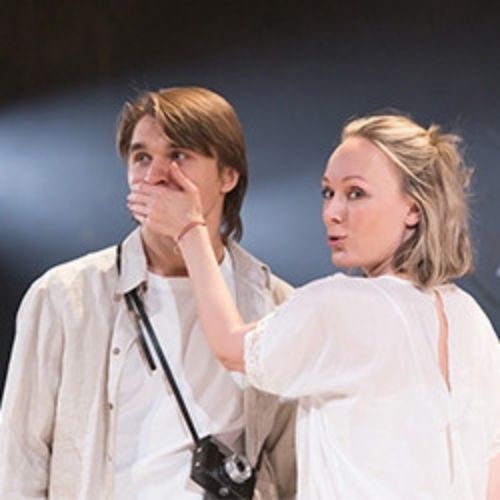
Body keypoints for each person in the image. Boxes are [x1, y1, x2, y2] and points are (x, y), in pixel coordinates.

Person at [128, 112, 500, 499]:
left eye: (356, 193)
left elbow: (231, 348)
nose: (332, 212)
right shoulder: (469, 317)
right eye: (327, 192)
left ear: (414, 209)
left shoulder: (342, 306)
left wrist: (189, 230)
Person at [0, 87, 297, 499]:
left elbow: (290, 467)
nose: (155, 175)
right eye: (141, 157)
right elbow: (20, 459)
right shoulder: (65, 296)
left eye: (179, 155)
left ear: (227, 176)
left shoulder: (277, 306)